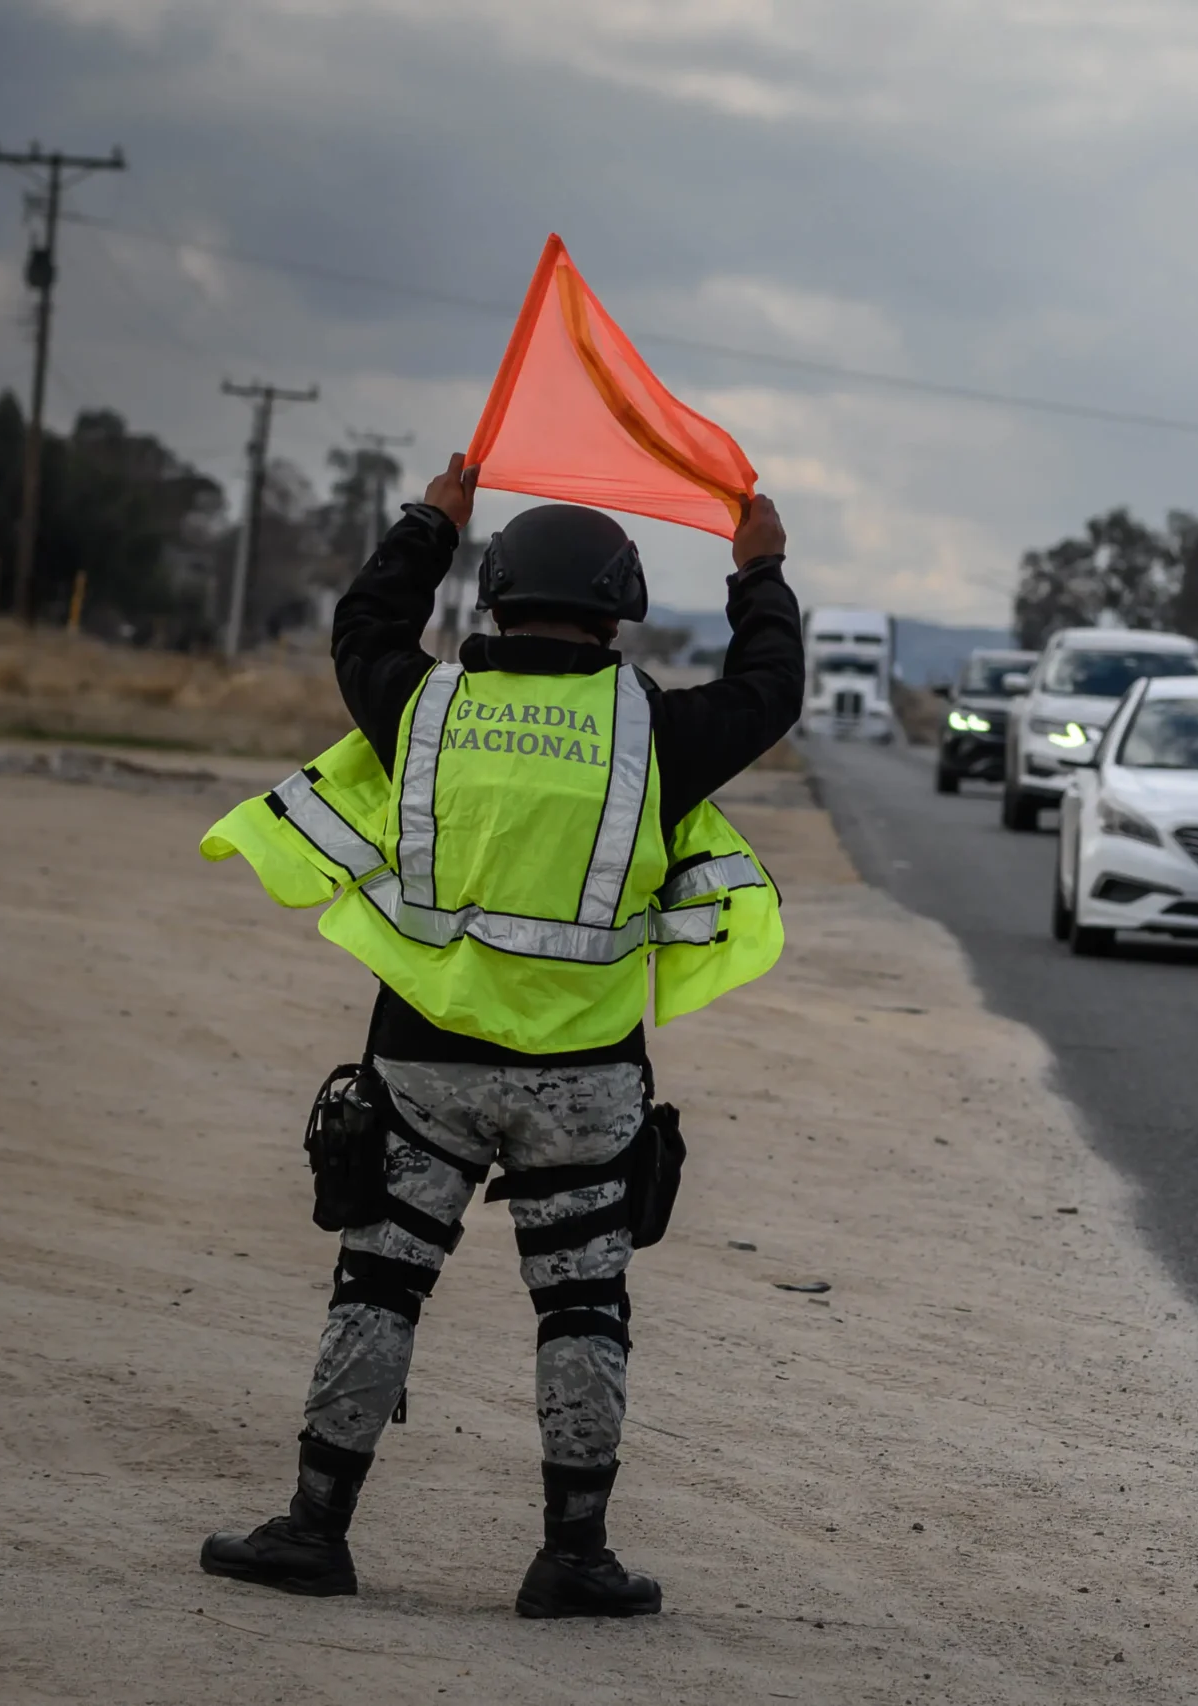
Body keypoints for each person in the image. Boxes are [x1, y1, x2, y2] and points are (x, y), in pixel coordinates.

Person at [196, 453, 803, 1617]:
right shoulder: (656, 738)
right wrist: (759, 569)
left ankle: (315, 1531)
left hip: (420, 1060)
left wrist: (431, 519)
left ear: (497, 595)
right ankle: (573, 1556)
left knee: (377, 1284)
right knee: (583, 1307)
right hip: (583, 1079)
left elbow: (363, 624)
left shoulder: (422, 707)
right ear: (620, 606)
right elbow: (770, 685)